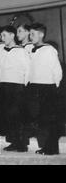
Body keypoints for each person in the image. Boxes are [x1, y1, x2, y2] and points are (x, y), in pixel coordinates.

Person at [27, 23, 63, 155]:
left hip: (47, 88)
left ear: (41, 34)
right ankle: (45, 146)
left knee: (49, 119)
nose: (30, 36)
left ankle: (52, 148)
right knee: (40, 119)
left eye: (33, 34)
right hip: (35, 87)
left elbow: (57, 71)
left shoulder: (49, 50)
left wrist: (53, 87)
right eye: (30, 34)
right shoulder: (31, 49)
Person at [0, 25, 31, 152]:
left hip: (17, 86)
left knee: (18, 116)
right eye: (1, 36)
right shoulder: (1, 51)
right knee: (8, 115)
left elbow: (28, 69)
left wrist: (24, 86)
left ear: (12, 36)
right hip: (4, 85)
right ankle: (13, 142)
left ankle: (22, 143)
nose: (2, 38)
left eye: (4, 35)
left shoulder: (20, 51)